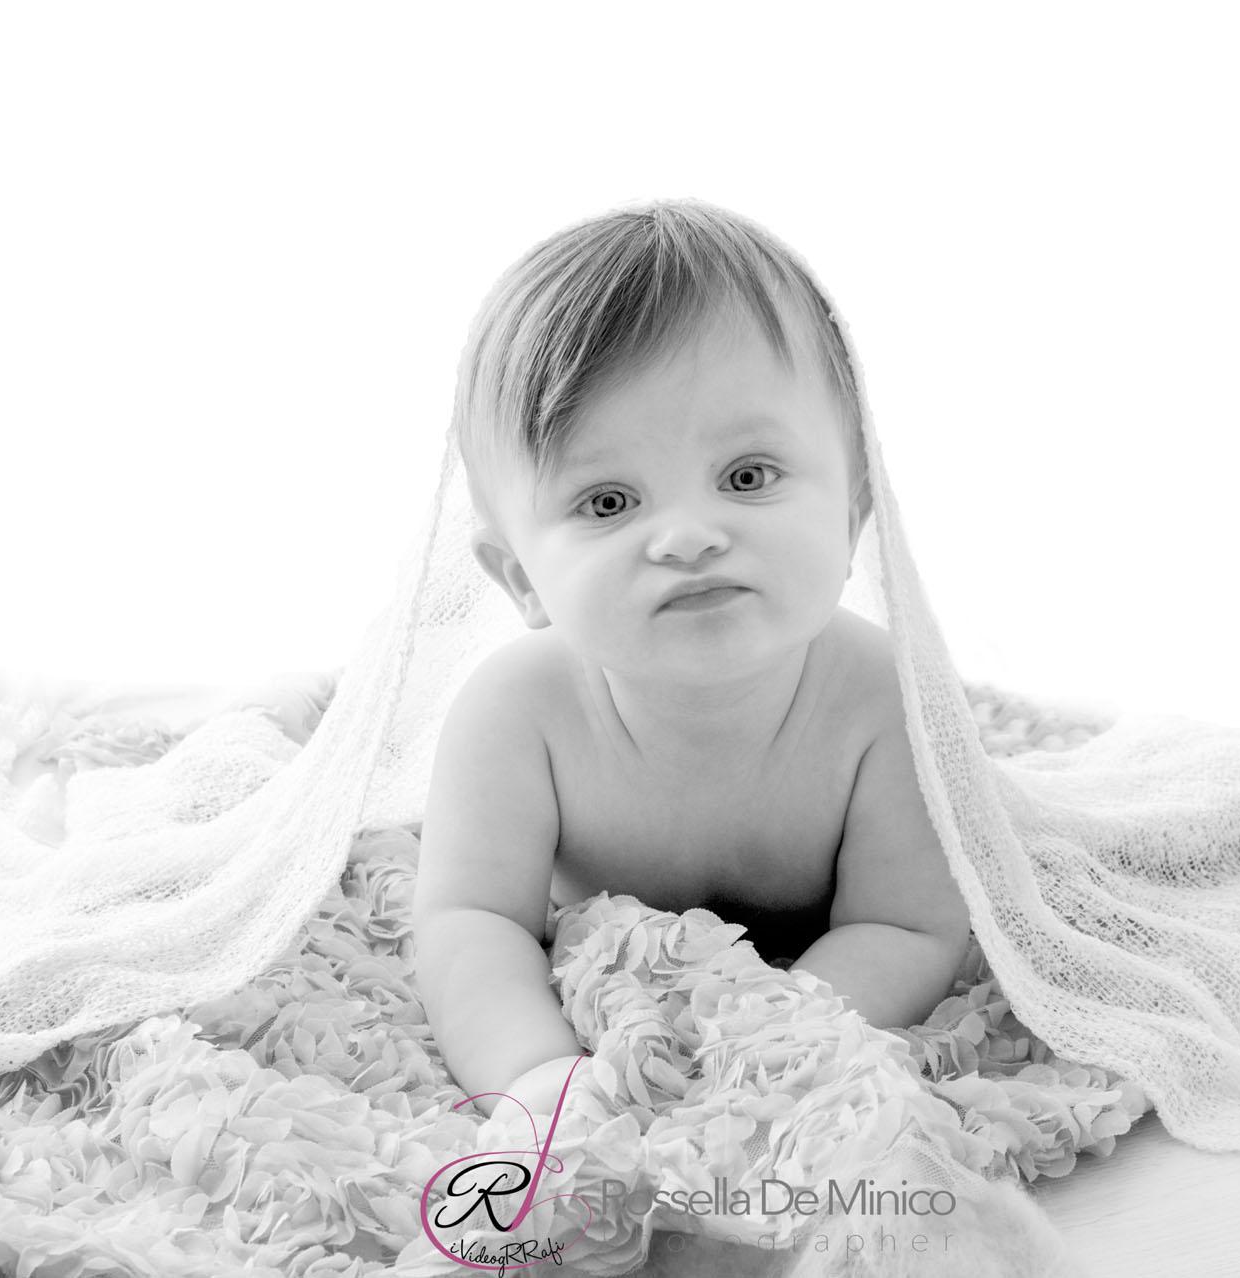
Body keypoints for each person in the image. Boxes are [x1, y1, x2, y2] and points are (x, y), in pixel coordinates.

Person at [410, 199, 971, 1125]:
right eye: (608, 501)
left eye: (747, 477)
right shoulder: (517, 714)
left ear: (854, 513)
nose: (687, 536)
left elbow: (907, 924)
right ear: (521, 579)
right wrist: (535, 1072)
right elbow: (471, 921)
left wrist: (774, 1041)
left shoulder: (884, 700)